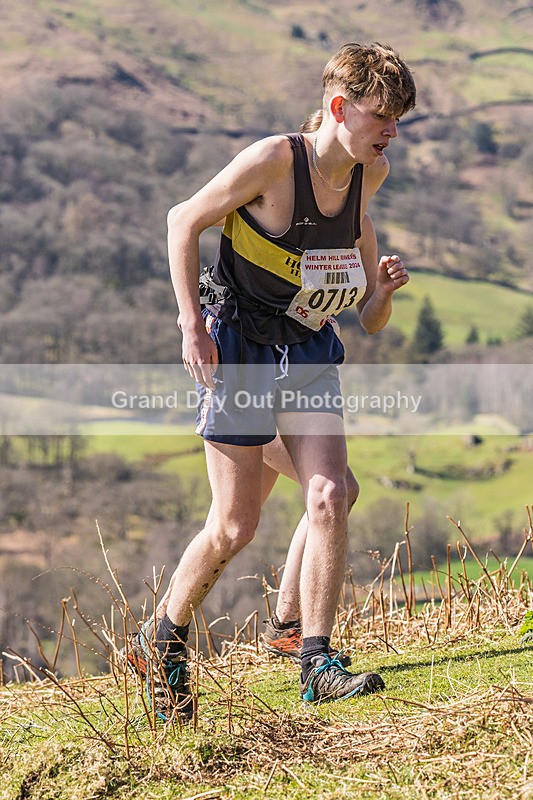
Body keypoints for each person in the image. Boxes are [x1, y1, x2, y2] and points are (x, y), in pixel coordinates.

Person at [147, 41, 416, 721]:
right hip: (239, 345)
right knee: (235, 525)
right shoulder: (274, 160)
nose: (391, 131)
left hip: (307, 344)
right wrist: (191, 325)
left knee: (331, 493)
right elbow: (182, 220)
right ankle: (164, 642)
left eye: (398, 120)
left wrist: (380, 291)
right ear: (339, 107)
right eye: (381, 116)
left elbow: (368, 315)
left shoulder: (370, 174)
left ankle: (315, 660)